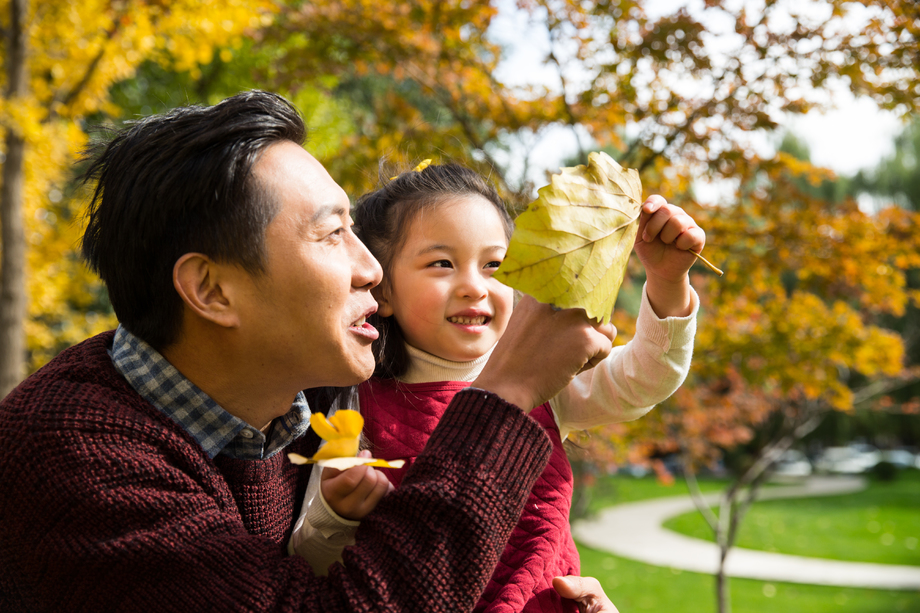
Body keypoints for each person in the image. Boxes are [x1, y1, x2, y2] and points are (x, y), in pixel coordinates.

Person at [0, 91, 620, 612]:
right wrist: (506, 396)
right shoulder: (76, 460)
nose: (373, 268)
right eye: (331, 235)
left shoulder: (310, 396)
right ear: (212, 290)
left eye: (357, 230)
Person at [290, 163, 704, 612]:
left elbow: (644, 377)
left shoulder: (545, 378)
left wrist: (666, 282)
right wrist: (335, 514)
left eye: (494, 265)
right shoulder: (356, 405)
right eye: (441, 264)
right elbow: (313, 568)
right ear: (384, 290)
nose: (474, 286)